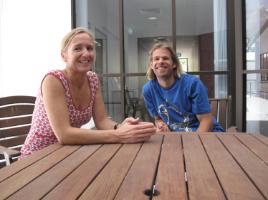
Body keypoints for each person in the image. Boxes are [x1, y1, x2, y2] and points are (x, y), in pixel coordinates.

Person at [20, 27, 156, 158]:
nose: (86, 53)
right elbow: (64, 134)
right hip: (38, 157)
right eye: (77, 48)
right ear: (64, 56)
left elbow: (102, 121)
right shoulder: (53, 80)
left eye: (90, 48)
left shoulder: (92, 79)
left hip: (67, 154)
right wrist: (119, 135)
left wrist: (120, 126)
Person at [142, 43, 224, 132]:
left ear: (174, 64)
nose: (160, 61)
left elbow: (206, 121)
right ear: (151, 65)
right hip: (176, 138)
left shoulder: (192, 84)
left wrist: (194, 144)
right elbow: (158, 119)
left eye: (165, 58)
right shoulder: (148, 90)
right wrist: (161, 125)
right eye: (156, 59)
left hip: (206, 134)